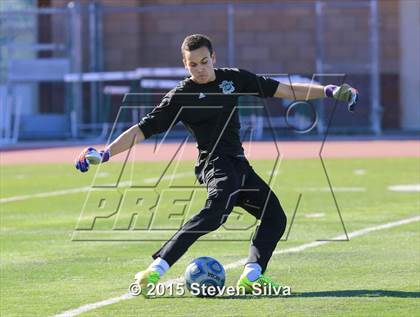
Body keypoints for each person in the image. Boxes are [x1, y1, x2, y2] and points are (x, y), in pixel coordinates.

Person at [75, 34, 358, 294]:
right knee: (215, 213)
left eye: (204, 61)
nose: (200, 69)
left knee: (275, 217)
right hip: (214, 164)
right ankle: (155, 270)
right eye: (193, 64)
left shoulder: (233, 79)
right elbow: (141, 129)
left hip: (238, 164)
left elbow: (284, 90)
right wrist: (106, 153)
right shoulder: (180, 96)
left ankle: (251, 275)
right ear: (185, 65)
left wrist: (329, 91)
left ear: (214, 57)